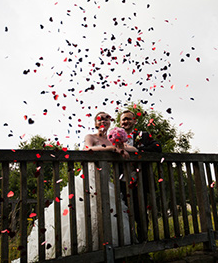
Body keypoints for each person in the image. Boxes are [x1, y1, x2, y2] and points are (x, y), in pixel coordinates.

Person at [16, 112, 135, 262]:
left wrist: (121, 147)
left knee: (107, 212)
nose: (104, 120)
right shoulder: (90, 137)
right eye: (101, 118)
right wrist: (111, 149)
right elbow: (88, 149)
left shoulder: (112, 140)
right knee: (82, 212)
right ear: (96, 123)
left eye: (107, 118)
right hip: (87, 179)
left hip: (105, 182)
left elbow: (134, 150)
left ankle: (104, 250)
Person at [119, 109, 162, 242]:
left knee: (141, 212)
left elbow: (157, 147)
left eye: (128, 119)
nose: (126, 121)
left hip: (141, 180)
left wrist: (137, 150)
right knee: (124, 211)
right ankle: (129, 241)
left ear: (134, 121)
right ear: (120, 123)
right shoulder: (116, 137)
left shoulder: (143, 135)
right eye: (123, 119)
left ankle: (143, 242)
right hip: (122, 180)